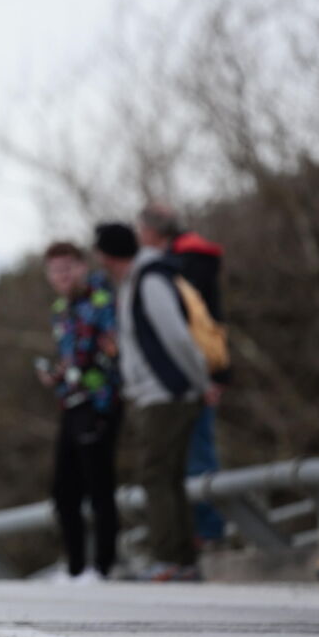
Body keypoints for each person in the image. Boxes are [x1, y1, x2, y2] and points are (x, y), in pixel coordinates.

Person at [94, 222, 218, 581]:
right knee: (167, 475)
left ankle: (172, 559)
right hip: (154, 394)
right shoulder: (135, 280)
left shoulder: (148, 281)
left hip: (168, 394)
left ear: (108, 254)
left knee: (157, 474)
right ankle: (182, 559)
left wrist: (200, 382)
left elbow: (177, 338)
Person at [137, 203, 227, 545]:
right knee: (188, 454)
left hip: (193, 373)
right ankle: (199, 531)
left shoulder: (184, 264)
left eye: (141, 230)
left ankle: (207, 532)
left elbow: (191, 327)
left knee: (196, 453)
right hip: (193, 371)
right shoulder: (185, 260)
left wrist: (210, 377)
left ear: (153, 231)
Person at [37, 241, 121, 583]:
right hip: (70, 403)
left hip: (100, 402)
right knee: (64, 489)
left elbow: (110, 352)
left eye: (68, 267)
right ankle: (75, 567)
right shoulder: (61, 309)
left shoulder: (102, 301)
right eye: (56, 270)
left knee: (99, 485)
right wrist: (56, 374)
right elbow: (73, 359)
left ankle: (103, 566)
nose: (63, 275)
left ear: (83, 267)